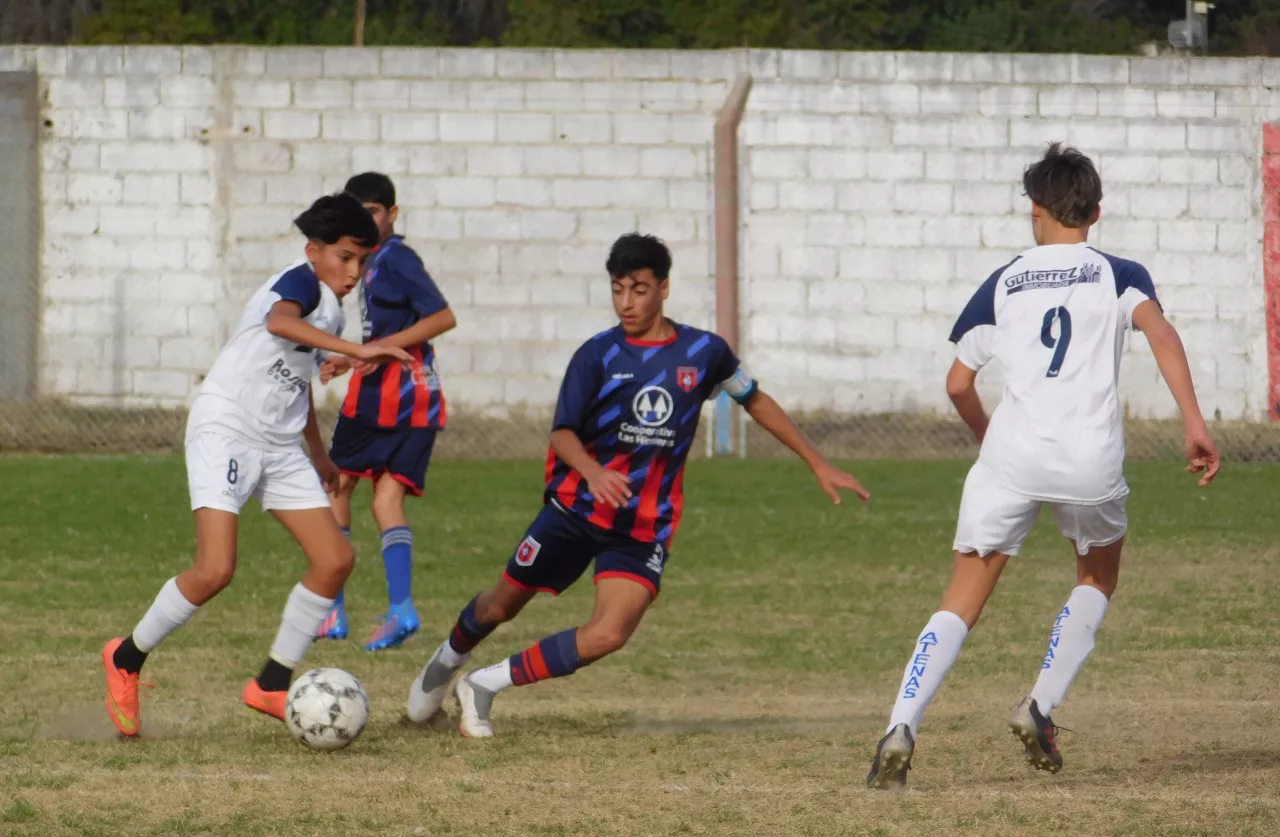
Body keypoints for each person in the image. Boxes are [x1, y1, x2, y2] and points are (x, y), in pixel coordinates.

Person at [404, 232, 871, 738]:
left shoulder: (704, 352)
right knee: (499, 606)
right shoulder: (597, 355)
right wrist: (594, 472)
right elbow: (562, 433)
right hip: (575, 509)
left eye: (639, 289)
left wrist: (817, 463)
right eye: (618, 289)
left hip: (643, 525)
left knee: (609, 633)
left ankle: (484, 684)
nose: (626, 302)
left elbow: (753, 398)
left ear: (664, 289)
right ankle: (447, 659)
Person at [865, 143, 1221, 788]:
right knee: (1097, 577)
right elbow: (1162, 335)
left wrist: (988, 437)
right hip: (1089, 459)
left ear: (1035, 209)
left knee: (961, 599)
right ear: (1096, 212)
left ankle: (901, 726)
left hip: (1011, 457)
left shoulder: (1004, 280)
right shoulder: (1119, 273)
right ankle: (1039, 705)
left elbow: (957, 383)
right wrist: (1194, 424)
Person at [101, 193, 412, 737]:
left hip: (280, 444)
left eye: (363, 260)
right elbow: (279, 323)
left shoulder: (331, 309)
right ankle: (125, 658)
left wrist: (319, 454)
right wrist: (357, 351)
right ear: (314, 251)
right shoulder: (298, 282)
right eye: (344, 257)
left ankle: (270, 682)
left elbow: (295, 383)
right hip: (227, 427)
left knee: (335, 559)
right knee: (215, 570)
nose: (353, 272)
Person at [315, 172, 457, 651]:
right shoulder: (375, 259)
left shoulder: (395, 258)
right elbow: (388, 335)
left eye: (373, 212)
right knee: (384, 502)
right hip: (413, 396)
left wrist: (374, 353)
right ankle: (401, 609)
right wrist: (353, 357)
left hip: (393, 398)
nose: (366, 221)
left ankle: (332, 608)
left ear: (392, 214)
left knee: (336, 484)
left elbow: (442, 317)